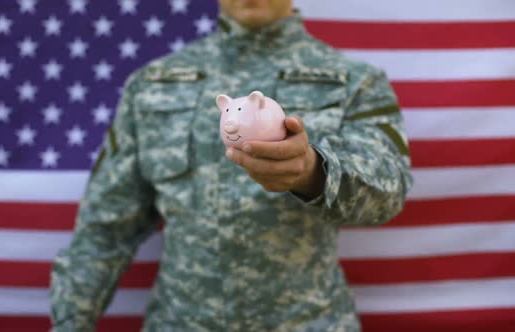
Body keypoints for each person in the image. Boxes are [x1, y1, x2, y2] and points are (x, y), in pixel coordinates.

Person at [50, 0, 413, 331]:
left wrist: (312, 172)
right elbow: (105, 227)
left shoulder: (355, 82)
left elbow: (389, 190)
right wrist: (70, 322)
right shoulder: (153, 86)